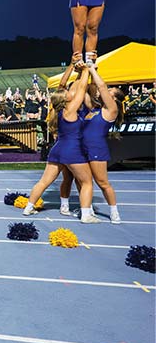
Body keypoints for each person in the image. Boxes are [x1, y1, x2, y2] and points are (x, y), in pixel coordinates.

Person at [24, 60, 99, 223]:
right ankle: (86, 214)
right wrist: (86, 69)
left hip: (57, 149)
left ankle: (29, 207)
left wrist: (75, 69)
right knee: (87, 182)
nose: (69, 93)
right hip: (72, 150)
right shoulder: (70, 110)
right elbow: (80, 91)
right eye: (67, 94)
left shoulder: (57, 111)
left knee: (44, 181)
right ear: (65, 100)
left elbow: (69, 87)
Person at [59, 63, 124, 223]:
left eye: (111, 92)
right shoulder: (94, 108)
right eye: (108, 90)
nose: (107, 91)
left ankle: (114, 212)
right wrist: (81, 71)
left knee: (102, 182)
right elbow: (84, 90)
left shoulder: (111, 110)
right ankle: (86, 210)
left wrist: (91, 68)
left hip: (96, 149)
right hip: (82, 148)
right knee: (83, 181)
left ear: (114, 98)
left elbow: (101, 86)